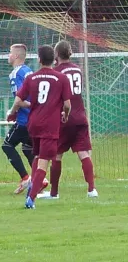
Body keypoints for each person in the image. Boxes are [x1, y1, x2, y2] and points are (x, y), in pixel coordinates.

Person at [7, 45, 72, 209]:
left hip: (33, 123)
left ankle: (31, 189)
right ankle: (31, 198)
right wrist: (65, 113)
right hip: (50, 125)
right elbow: (67, 105)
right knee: (44, 161)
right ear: (54, 60)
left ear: (39, 59)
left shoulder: (31, 78)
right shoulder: (61, 78)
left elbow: (18, 101)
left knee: (36, 156)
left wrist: (13, 113)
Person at [38, 40, 98, 199]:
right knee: (83, 153)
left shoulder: (56, 72)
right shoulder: (78, 69)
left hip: (64, 118)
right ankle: (92, 189)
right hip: (80, 117)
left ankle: (54, 193)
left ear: (56, 54)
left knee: (57, 155)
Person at [3, 44, 35, 194]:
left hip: (24, 120)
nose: (8, 55)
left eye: (9, 53)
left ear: (16, 56)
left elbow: (19, 99)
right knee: (28, 148)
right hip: (34, 119)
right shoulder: (29, 71)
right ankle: (40, 179)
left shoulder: (15, 74)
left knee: (7, 145)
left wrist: (13, 111)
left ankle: (25, 178)